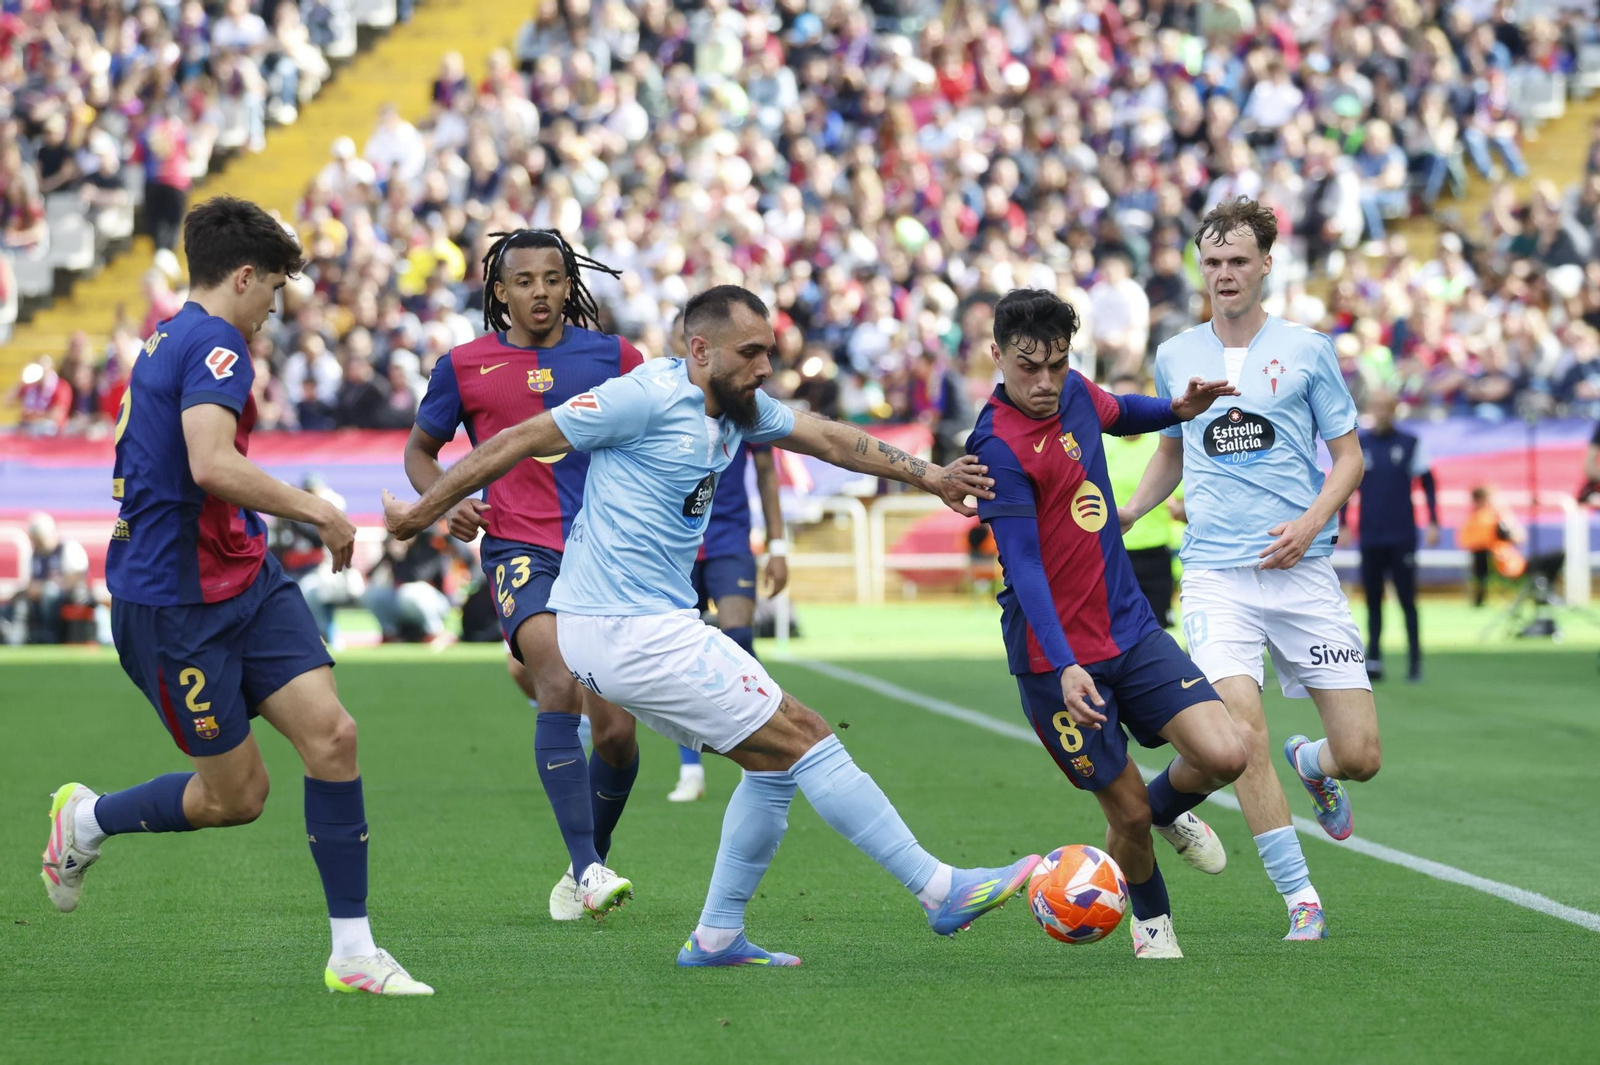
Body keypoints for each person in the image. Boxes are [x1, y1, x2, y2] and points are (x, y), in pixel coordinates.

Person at [384, 284, 1038, 968]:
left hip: (644, 625)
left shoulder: (739, 406)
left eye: (770, 353)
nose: (764, 368)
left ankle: (718, 935)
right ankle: (938, 889)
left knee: (773, 767)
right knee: (807, 734)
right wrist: (426, 509)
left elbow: (827, 437)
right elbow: (519, 440)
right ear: (699, 350)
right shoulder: (642, 396)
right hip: (624, 628)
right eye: (750, 353)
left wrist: (932, 475)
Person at [42, 197, 430, 995]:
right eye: (275, 290)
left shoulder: (168, 335)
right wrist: (320, 507)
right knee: (238, 796)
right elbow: (211, 464)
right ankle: (87, 818)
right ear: (244, 276)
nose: (275, 309)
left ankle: (353, 952)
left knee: (334, 737)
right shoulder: (217, 344)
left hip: (243, 575)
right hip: (173, 603)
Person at [1120, 198, 1380, 942]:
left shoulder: (1308, 349)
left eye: (1239, 261)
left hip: (1302, 569)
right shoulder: (1176, 353)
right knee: (1244, 734)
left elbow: (1350, 456)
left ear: (1267, 264)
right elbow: (1173, 450)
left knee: (1362, 755)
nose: (1225, 274)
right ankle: (1300, 897)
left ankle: (1316, 762)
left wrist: (1309, 522)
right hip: (1216, 576)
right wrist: (1134, 511)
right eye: (1214, 263)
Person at [967, 289, 1245, 959]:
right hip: (1052, 659)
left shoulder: (1076, 393)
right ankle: (1153, 926)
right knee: (1123, 814)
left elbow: (1120, 413)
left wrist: (1176, 410)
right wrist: (1065, 665)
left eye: (1057, 365)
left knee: (1226, 752)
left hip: (1128, 626)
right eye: (1028, 366)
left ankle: (1167, 809)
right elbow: (1025, 568)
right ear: (996, 354)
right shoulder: (996, 446)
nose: (1044, 382)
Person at [403, 228, 645, 922]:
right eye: (525, 280)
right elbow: (422, 452)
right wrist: (445, 496)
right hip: (518, 549)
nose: (540, 291)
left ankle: (583, 863)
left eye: (552, 278)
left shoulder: (614, 357)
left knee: (618, 735)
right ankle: (590, 866)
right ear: (499, 290)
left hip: (605, 556)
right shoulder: (464, 365)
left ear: (569, 283)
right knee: (558, 680)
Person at [672, 442, 789, 803]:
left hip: (730, 539)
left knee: (738, 636)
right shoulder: (666, 394)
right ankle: (690, 770)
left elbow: (767, 471)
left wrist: (777, 547)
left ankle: (760, 750)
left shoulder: (745, 401)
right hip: (674, 542)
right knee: (676, 651)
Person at [1348, 391, 1439, 682]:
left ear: (1395, 410)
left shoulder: (1410, 443)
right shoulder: (1360, 445)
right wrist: (1343, 522)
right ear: (1371, 410)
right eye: (1378, 407)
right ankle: (1374, 660)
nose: (1383, 412)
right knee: (1373, 600)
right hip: (1371, 534)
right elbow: (1345, 485)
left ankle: (1415, 662)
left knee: (1407, 599)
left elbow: (1428, 484)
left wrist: (1434, 521)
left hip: (1402, 535)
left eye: (1388, 407)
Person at [1102, 372, 1181, 628]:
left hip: (1156, 554)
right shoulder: (1099, 445)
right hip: (1114, 552)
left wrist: (1179, 509)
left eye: (1131, 400)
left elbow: (1182, 500)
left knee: (1156, 631)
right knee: (1116, 630)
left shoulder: (1162, 447)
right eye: (1119, 400)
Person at [1458, 485, 1524, 606]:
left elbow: (1518, 537)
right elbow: (1466, 541)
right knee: (1481, 562)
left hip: (1503, 557)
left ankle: (1507, 594)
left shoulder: (1499, 516)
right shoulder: (1475, 519)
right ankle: (1481, 596)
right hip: (1485, 556)